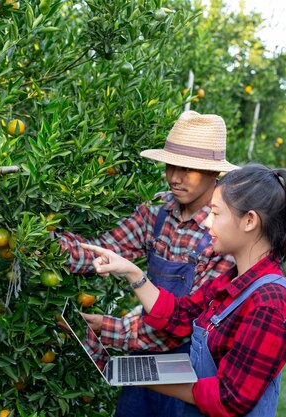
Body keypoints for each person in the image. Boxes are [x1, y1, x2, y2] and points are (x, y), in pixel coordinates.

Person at [80, 163, 286, 417]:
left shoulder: (269, 304)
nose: (207, 222)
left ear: (249, 221)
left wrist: (135, 376)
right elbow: (181, 315)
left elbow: (228, 398)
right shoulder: (232, 281)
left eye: (216, 214)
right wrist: (133, 273)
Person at [56, 110, 236, 417]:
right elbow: (105, 250)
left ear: (213, 174)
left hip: (190, 372)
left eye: (188, 169)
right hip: (145, 362)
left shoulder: (222, 232)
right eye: (171, 165)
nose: (175, 177)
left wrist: (106, 327)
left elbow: (186, 322)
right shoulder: (157, 211)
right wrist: (46, 245)